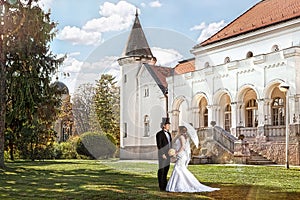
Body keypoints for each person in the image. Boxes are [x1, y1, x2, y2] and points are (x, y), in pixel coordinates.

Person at [166, 126, 220, 193]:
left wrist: (176, 153)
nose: (177, 130)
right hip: (181, 155)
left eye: (178, 129)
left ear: (180, 130)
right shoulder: (180, 137)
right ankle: (178, 184)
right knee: (180, 169)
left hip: (181, 155)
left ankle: (180, 185)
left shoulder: (181, 137)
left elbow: (182, 147)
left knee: (179, 169)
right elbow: (174, 142)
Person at [156, 117, 172, 191]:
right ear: (163, 125)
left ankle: (165, 185)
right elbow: (159, 145)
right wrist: (162, 154)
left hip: (168, 154)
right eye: (168, 124)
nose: (169, 126)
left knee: (166, 169)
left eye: (169, 124)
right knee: (161, 170)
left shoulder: (169, 133)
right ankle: (161, 186)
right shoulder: (159, 134)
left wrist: (171, 152)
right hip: (162, 155)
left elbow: (170, 144)